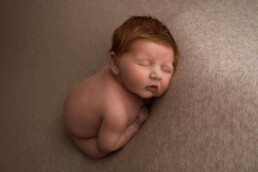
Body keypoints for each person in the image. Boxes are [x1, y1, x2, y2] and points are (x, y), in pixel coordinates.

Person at [62, 16, 178, 158]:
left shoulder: (115, 74)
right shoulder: (116, 112)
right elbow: (106, 144)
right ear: (116, 64)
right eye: (144, 64)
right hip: (78, 129)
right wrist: (136, 124)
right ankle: (77, 139)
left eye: (166, 69)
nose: (157, 75)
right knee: (98, 151)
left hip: (76, 97)